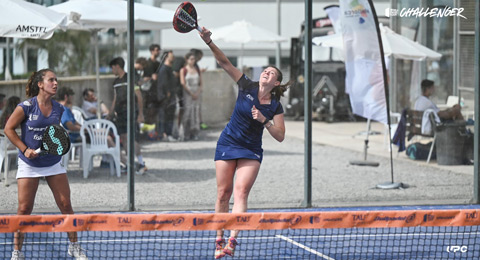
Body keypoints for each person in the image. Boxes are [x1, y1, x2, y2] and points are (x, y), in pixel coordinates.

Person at [199, 28, 291, 258]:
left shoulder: (275, 106)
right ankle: (218, 240)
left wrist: (265, 121)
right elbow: (224, 63)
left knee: (241, 193)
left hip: (250, 150)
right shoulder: (246, 86)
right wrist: (209, 41)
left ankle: (231, 242)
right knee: (223, 193)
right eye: (265, 71)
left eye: (271, 73)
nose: (266, 73)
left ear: (276, 82)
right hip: (228, 142)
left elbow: (280, 135)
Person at [4, 69, 88, 260]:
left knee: (66, 205)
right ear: (40, 84)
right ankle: (17, 252)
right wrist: (25, 149)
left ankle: (74, 247)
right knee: (24, 210)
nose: (55, 83)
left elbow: (54, 135)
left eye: (56, 80)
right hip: (28, 164)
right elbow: (8, 129)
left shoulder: (59, 108)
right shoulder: (25, 106)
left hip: (52, 163)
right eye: (51, 80)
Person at [108, 57, 147, 175]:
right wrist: (110, 113)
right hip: (120, 114)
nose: (112, 70)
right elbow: (115, 98)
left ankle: (141, 163)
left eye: (112, 68)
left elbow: (139, 96)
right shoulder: (115, 82)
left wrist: (140, 114)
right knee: (124, 138)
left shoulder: (130, 79)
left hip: (131, 112)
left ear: (117, 66)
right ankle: (130, 164)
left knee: (132, 138)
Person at [180, 52, 203, 141]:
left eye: (194, 59)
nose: (193, 61)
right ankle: (185, 133)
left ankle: (195, 132)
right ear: (187, 60)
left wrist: (197, 92)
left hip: (196, 92)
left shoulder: (197, 69)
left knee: (196, 112)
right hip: (187, 93)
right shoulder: (183, 70)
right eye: (191, 59)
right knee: (188, 112)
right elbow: (183, 83)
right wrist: (191, 93)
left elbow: (201, 83)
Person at [156, 50, 177, 142]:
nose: (173, 57)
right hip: (165, 98)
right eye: (171, 56)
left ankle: (167, 133)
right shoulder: (164, 69)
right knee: (165, 116)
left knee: (169, 116)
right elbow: (163, 83)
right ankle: (165, 134)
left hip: (170, 97)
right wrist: (167, 94)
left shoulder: (169, 68)